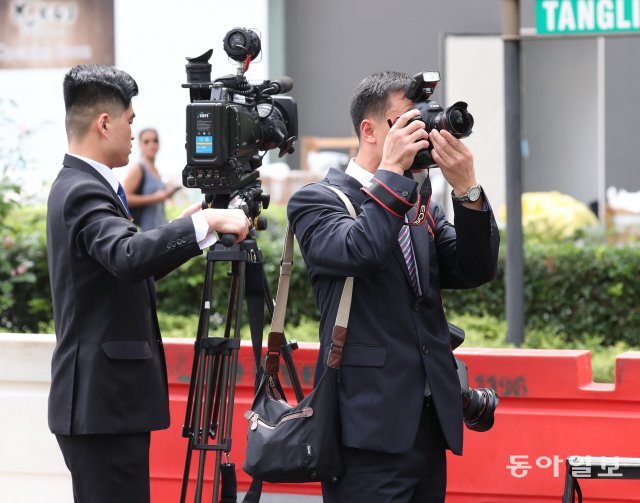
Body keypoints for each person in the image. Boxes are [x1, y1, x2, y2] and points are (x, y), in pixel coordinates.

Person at [287, 71, 500, 502]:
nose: (422, 134)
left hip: (428, 422)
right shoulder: (317, 201)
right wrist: (393, 172)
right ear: (370, 130)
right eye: (409, 121)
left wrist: (467, 190)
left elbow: (473, 269)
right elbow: (358, 252)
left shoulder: (418, 203)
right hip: (365, 428)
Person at [46, 64, 250, 503]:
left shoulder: (82, 185)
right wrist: (209, 221)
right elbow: (127, 257)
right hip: (102, 407)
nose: (133, 133)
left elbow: (126, 261)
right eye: (130, 122)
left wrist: (187, 228)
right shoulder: (83, 189)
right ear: (105, 123)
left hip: (103, 406)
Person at [122, 128, 178, 230]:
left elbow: (160, 197)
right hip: (148, 231)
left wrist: (168, 193)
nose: (151, 145)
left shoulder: (156, 169)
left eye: (155, 140)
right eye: (146, 141)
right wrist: (155, 198)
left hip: (161, 227)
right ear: (140, 145)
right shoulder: (138, 168)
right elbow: (125, 198)